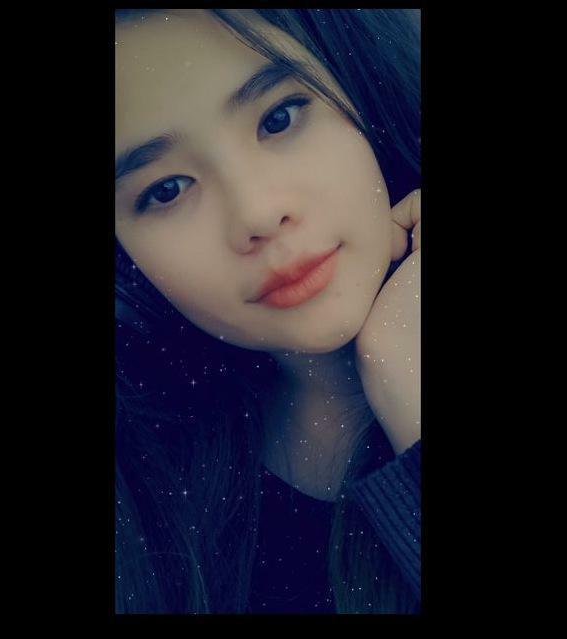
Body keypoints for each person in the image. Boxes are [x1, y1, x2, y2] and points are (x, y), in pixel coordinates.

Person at [115, 8, 421, 614]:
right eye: (166, 190)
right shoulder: (141, 496)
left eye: (278, 118)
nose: (256, 212)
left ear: (360, 84)